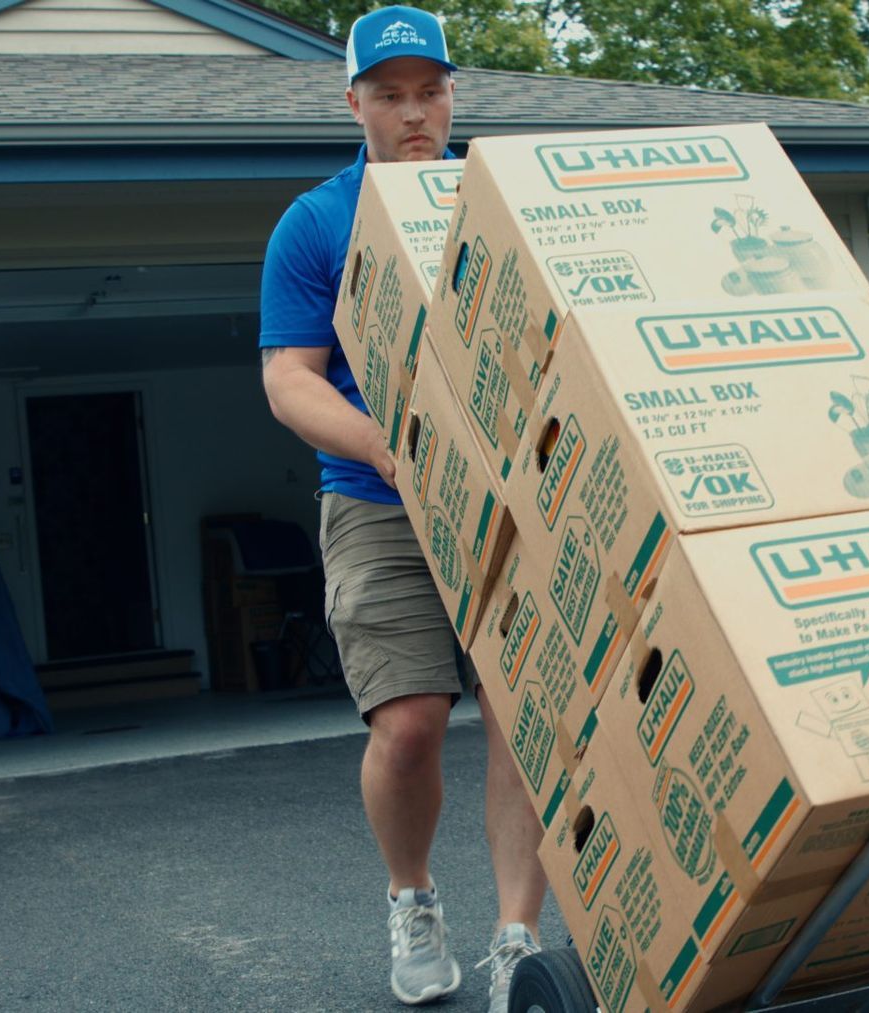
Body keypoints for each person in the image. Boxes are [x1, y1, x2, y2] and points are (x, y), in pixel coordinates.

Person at [257, 7, 546, 1011]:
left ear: (453, 96)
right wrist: (382, 441)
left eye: (431, 92)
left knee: (522, 718)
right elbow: (289, 378)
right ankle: (413, 896)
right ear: (355, 103)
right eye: (390, 95)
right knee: (413, 721)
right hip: (380, 500)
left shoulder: (504, 198)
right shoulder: (317, 220)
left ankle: (520, 936)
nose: (414, 112)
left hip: (511, 502)